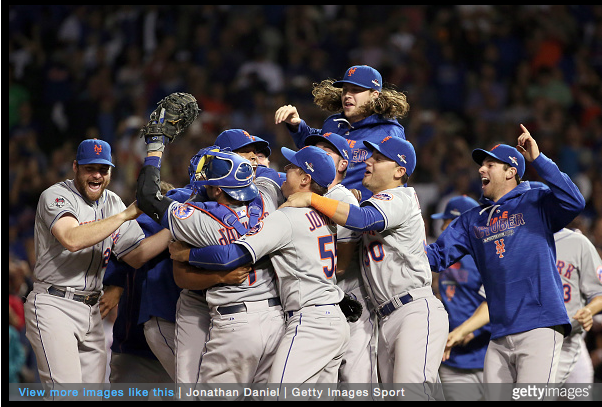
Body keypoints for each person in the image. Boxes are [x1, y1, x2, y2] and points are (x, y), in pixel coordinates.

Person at [169, 146, 350, 395]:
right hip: (331, 315)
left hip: (309, 320)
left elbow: (231, 255)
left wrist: (187, 254)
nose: (284, 171)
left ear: (306, 179)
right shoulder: (324, 213)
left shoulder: (286, 217)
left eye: (292, 169)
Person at [281, 136, 448, 399]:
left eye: (379, 159)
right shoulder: (378, 200)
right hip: (387, 315)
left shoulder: (401, 196)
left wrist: (312, 199)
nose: (368, 161)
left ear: (399, 171)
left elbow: (362, 219)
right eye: (370, 156)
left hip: (414, 310)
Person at [427, 124, 586, 389]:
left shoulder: (535, 200)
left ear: (511, 172)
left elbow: (574, 201)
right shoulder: (472, 220)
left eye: (490, 165)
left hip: (539, 325)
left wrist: (538, 159)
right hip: (499, 332)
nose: (481, 169)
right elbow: (435, 257)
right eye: (482, 165)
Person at [23, 138, 173, 390]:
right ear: (75, 167)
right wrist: (126, 214)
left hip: (91, 311)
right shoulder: (56, 195)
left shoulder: (112, 201)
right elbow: (71, 239)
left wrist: (176, 226)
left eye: (103, 170)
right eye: (89, 168)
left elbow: (136, 255)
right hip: (54, 304)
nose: (96, 175)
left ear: (110, 171)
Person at [136, 139, 285, 392]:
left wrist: (155, 148)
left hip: (234, 321)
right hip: (274, 318)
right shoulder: (269, 197)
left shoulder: (198, 218)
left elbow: (147, 197)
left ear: (216, 189)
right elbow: (282, 175)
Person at [302, 132, 378, 386]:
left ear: (343, 163)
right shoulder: (310, 196)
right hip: (325, 302)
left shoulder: (340, 197)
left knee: (355, 381)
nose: (318, 154)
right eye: (315, 148)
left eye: (327, 151)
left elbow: (342, 264)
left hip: (350, 300)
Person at [275, 64, 409, 201]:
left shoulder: (389, 131)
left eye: (356, 90)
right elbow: (315, 151)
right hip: (326, 208)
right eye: (345, 90)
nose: (347, 96)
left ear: (374, 95)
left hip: (362, 212)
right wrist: (297, 125)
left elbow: (397, 179)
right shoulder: (334, 123)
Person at [430, 195, 490, 401]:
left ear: (458, 222)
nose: (441, 227)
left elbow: (500, 303)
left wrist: (472, 331)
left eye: (446, 221)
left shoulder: (486, 257)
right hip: (452, 358)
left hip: (489, 355)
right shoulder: (443, 254)